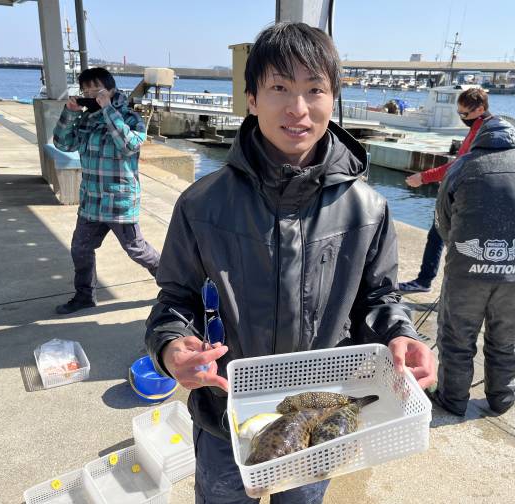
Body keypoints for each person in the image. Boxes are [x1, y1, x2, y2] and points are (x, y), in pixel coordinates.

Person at [145, 23, 436, 504]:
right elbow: (176, 299)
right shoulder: (201, 204)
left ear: (333, 98)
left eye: (314, 89)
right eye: (279, 87)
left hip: (321, 416)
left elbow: (380, 299)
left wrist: (401, 335)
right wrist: (172, 347)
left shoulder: (368, 208)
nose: (297, 108)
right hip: (225, 415)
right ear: (251, 99)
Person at [432, 115, 515, 416]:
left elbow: (443, 223)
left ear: (480, 139)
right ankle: (503, 399)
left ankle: (452, 399)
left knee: (456, 338)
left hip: (465, 272)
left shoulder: (460, 167)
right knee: (508, 338)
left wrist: (470, 254)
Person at [53, 67, 160, 315]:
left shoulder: (130, 117)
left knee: (137, 250)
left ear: (111, 90)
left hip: (119, 202)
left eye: (97, 89)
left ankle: (176, 284)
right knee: (80, 248)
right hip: (91, 201)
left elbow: (129, 145)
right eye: (86, 91)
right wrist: (70, 113)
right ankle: (84, 296)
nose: (91, 95)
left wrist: (108, 110)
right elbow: (63, 144)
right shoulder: (86, 119)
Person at [399, 87, 491, 293]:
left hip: (467, 197)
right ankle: (431, 282)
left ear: (480, 109)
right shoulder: (481, 126)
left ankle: (428, 282)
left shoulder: (482, 131)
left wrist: (423, 177)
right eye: (459, 113)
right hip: (464, 193)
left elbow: (460, 164)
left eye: (464, 114)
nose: (462, 118)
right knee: (440, 236)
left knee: (447, 239)